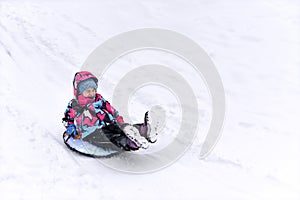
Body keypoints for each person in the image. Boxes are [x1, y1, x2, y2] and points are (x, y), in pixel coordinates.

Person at [62, 71, 157, 151]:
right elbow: (67, 119)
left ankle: (145, 130)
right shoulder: (75, 104)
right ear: (79, 91)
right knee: (110, 138)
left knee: (121, 128)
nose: (92, 93)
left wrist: (119, 119)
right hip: (91, 133)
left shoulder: (99, 99)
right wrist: (71, 128)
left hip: (109, 123)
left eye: (93, 90)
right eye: (88, 91)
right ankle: (130, 142)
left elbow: (111, 109)